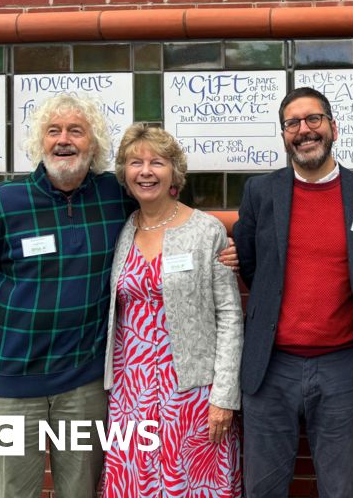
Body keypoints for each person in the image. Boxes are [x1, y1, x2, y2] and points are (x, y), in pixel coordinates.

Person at [0, 94, 135, 498]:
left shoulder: (115, 196)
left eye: (76, 131)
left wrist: (218, 252)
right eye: (54, 131)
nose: (64, 140)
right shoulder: (2, 204)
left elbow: (166, 214)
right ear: (40, 141)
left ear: (95, 143)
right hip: (8, 389)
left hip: (83, 387)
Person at [233, 87, 353, 497]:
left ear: (333, 128)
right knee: (262, 489)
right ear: (283, 135)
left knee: (341, 490)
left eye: (313, 120)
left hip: (344, 366)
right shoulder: (259, 193)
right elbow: (253, 267)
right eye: (292, 123)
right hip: (271, 366)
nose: (304, 130)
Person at [100, 124, 243, 497]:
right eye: (136, 163)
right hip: (129, 395)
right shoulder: (122, 231)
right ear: (125, 173)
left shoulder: (205, 230)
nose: (146, 172)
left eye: (157, 162)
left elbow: (229, 316)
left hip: (192, 393)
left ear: (174, 173)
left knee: (192, 485)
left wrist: (224, 396)